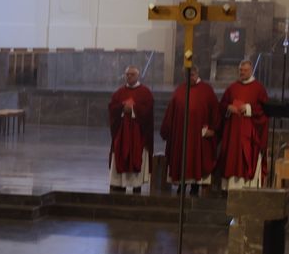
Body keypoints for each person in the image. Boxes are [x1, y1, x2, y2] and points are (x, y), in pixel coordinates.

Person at [160, 66, 219, 195]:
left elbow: (215, 111)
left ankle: (194, 187)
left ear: (197, 74)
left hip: (199, 135)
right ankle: (182, 185)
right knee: (182, 159)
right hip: (181, 134)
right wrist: (168, 130)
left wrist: (213, 129)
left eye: (192, 75)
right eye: (187, 75)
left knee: (195, 159)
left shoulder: (207, 90)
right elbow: (171, 111)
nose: (190, 77)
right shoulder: (180, 90)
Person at [218, 59, 269, 190]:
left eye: (245, 70)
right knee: (232, 159)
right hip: (233, 133)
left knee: (246, 159)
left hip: (249, 134)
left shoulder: (259, 88)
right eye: (240, 70)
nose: (242, 72)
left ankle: (248, 188)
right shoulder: (232, 88)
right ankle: (230, 188)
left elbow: (265, 110)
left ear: (251, 70)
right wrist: (229, 107)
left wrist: (249, 108)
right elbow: (222, 105)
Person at [107, 66, 154, 194]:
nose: (129, 77)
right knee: (120, 155)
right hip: (122, 135)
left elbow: (148, 111)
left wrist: (134, 109)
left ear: (138, 76)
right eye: (127, 74)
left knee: (137, 157)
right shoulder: (119, 93)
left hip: (138, 136)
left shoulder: (145, 93)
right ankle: (119, 184)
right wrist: (122, 108)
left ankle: (136, 186)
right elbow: (112, 107)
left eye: (132, 74)